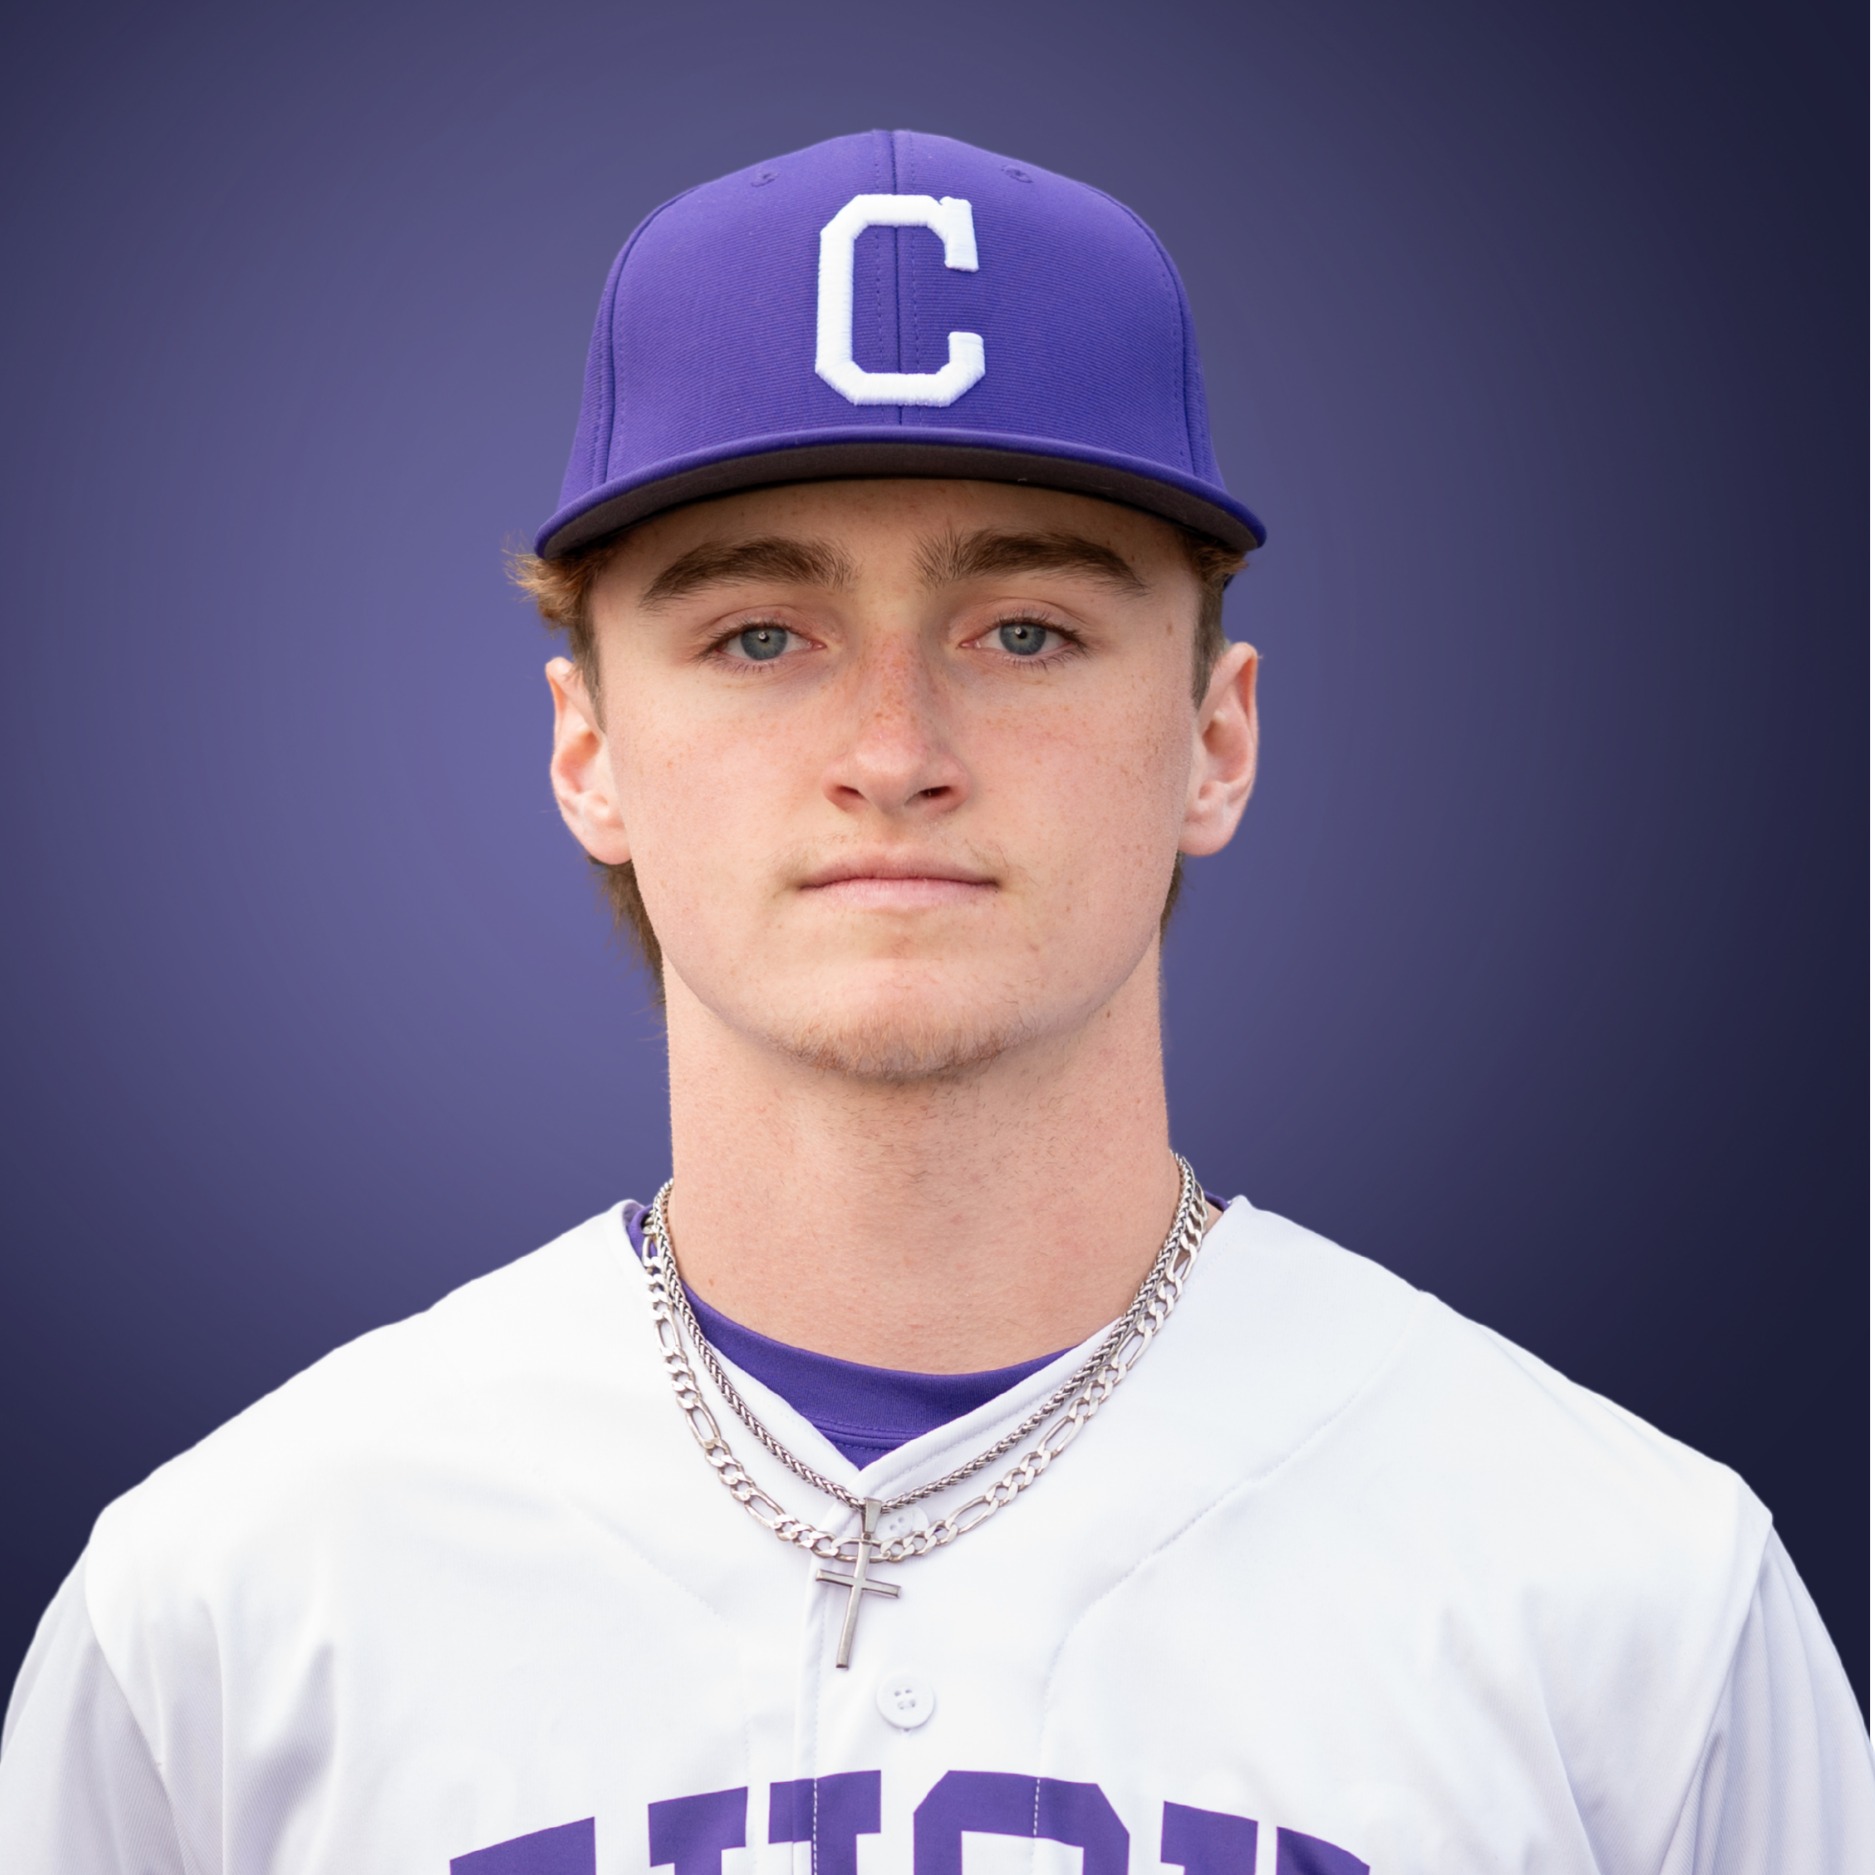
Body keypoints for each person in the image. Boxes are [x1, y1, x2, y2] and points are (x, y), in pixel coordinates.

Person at [0, 127, 1868, 1875]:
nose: (893, 751)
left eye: (1027, 630)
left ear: (1215, 740)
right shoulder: (234, 1604)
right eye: (759, 635)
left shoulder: (1628, 1593)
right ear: (589, 751)